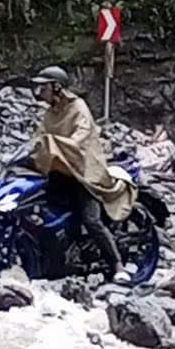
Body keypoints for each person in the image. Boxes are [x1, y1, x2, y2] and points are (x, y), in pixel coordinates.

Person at [28, 65, 132, 275]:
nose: (40, 92)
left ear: (57, 87)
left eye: (44, 87)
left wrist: (62, 144)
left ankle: (117, 265)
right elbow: (40, 136)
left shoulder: (78, 107)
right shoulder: (50, 114)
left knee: (91, 220)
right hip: (61, 170)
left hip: (83, 172)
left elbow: (81, 135)